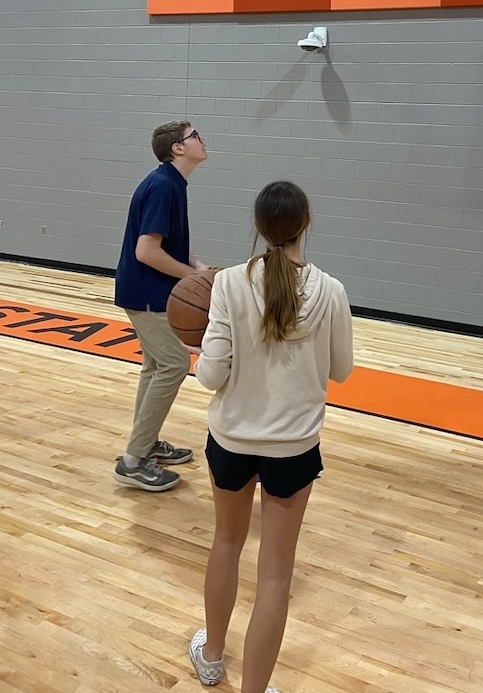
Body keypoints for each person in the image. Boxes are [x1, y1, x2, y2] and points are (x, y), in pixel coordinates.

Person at [189, 180, 354, 693]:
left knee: (226, 541)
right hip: (294, 449)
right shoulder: (331, 290)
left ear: (258, 228)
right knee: (276, 574)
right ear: (308, 223)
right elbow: (342, 371)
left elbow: (210, 377)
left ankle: (211, 659)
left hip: (233, 441)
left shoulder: (229, 283)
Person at [113, 120, 208, 492]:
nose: (202, 139)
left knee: (155, 367)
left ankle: (146, 443)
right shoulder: (165, 186)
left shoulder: (169, 183)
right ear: (178, 148)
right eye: (195, 135)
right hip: (147, 292)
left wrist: (198, 267)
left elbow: (163, 245)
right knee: (173, 364)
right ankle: (133, 461)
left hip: (145, 289)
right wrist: (191, 278)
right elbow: (147, 251)